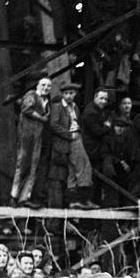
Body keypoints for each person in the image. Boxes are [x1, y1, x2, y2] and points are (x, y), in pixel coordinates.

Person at [49, 81, 97, 210]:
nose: (69, 96)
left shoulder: (75, 106)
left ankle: (73, 200)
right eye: (66, 93)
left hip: (76, 136)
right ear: (62, 94)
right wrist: (69, 135)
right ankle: (84, 199)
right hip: (70, 138)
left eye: (71, 93)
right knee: (84, 166)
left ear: (75, 94)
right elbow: (54, 124)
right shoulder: (58, 107)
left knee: (73, 170)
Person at [11, 78, 52, 208]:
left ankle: (25, 197)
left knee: (34, 165)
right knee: (22, 164)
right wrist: (42, 118)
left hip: (37, 136)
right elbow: (27, 109)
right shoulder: (31, 95)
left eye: (48, 86)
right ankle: (14, 196)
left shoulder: (46, 101)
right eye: (43, 85)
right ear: (38, 85)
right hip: (27, 134)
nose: (46, 88)